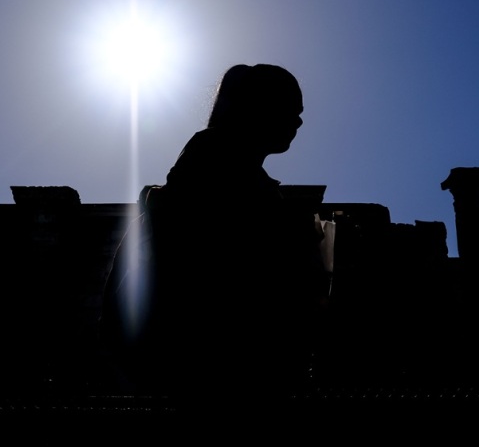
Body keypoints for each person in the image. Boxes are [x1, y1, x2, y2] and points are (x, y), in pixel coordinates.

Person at [100, 63, 329, 415]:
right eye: (290, 109)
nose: (298, 122)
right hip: (212, 365)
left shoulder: (225, 164)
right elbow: (219, 261)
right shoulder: (216, 158)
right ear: (257, 106)